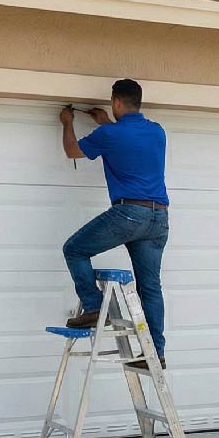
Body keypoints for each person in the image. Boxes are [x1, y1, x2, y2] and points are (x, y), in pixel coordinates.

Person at [59, 78, 170, 367]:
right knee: (151, 287)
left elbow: (72, 150)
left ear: (116, 102)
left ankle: (95, 307)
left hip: (129, 213)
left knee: (74, 250)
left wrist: (66, 122)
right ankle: (155, 353)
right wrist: (106, 122)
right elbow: (126, 141)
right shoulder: (157, 132)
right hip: (159, 217)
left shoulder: (110, 134)